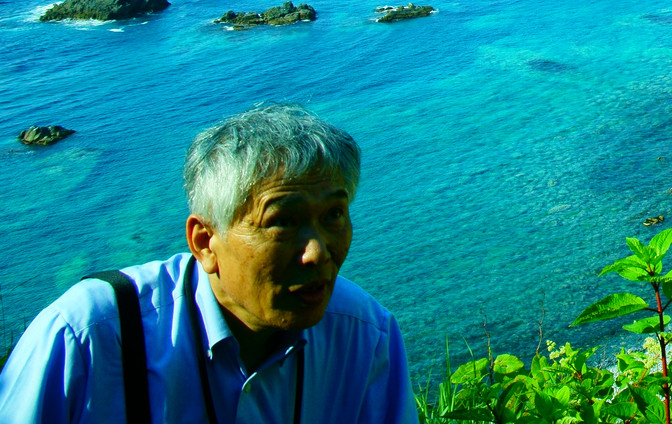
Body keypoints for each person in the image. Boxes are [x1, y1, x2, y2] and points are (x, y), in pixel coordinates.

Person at [0, 104, 415, 422]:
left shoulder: (366, 336)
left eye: (334, 215)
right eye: (282, 222)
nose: (318, 252)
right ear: (205, 243)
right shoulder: (87, 339)